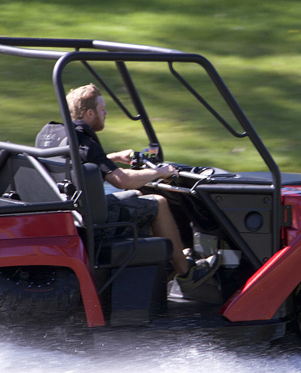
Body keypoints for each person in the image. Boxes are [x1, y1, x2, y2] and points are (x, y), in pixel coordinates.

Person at [37, 83, 217, 292]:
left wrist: (111, 158)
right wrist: (161, 172)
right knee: (158, 202)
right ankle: (187, 273)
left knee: (139, 196)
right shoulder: (84, 141)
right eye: (102, 110)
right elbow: (122, 180)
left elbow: (77, 165)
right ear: (89, 113)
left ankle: (164, 262)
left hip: (71, 213)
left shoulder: (54, 136)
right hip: (91, 219)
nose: (105, 114)